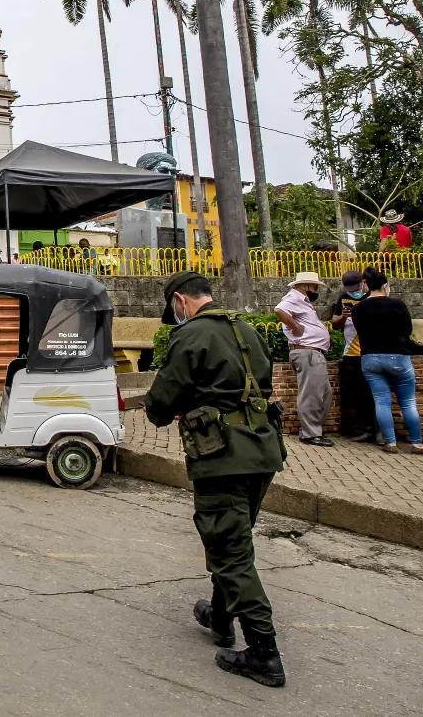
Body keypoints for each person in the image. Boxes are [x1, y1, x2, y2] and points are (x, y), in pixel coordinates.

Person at [144, 272, 288, 689]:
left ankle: (264, 652)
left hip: (222, 455)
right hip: (263, 451)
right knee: (235, 538)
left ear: (180, 301)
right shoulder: (248, 329)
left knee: (230, 550)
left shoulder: (190, 337)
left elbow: (161, 402)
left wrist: (168, 407)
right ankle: (220, 617)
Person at [350, 268, 423, 455]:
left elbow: (359, 330)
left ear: (366, 285)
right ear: (386, 285)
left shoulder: (358, 308)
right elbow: (407, 330)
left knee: (382, 401)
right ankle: (417, 443)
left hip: (370, 357)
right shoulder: (398, 304)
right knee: (408, 402)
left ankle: (391, 443)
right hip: (398, 356)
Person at [274, 272, 333, 447]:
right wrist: (296, 327)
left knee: (324, 393)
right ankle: (310, 433)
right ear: (306, 286)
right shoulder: (295, 297)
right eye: (315, 287)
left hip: (313, 353)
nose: (316, 290)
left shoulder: (303, 302)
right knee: (311, 394)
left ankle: (311, 429)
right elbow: (279, 310)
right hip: (308, 352)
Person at [331, 270, 377, 442]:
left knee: (373, 393)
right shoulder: (343, 298)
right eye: (349, 288)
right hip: (351, 353)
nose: (352, 291)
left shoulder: (373, 296)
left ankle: (377, 430)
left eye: (355, 287)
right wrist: (344, 316)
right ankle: (362, 429)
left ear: (363, 283)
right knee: (356, 394)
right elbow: (334, 324)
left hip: (369, 351)